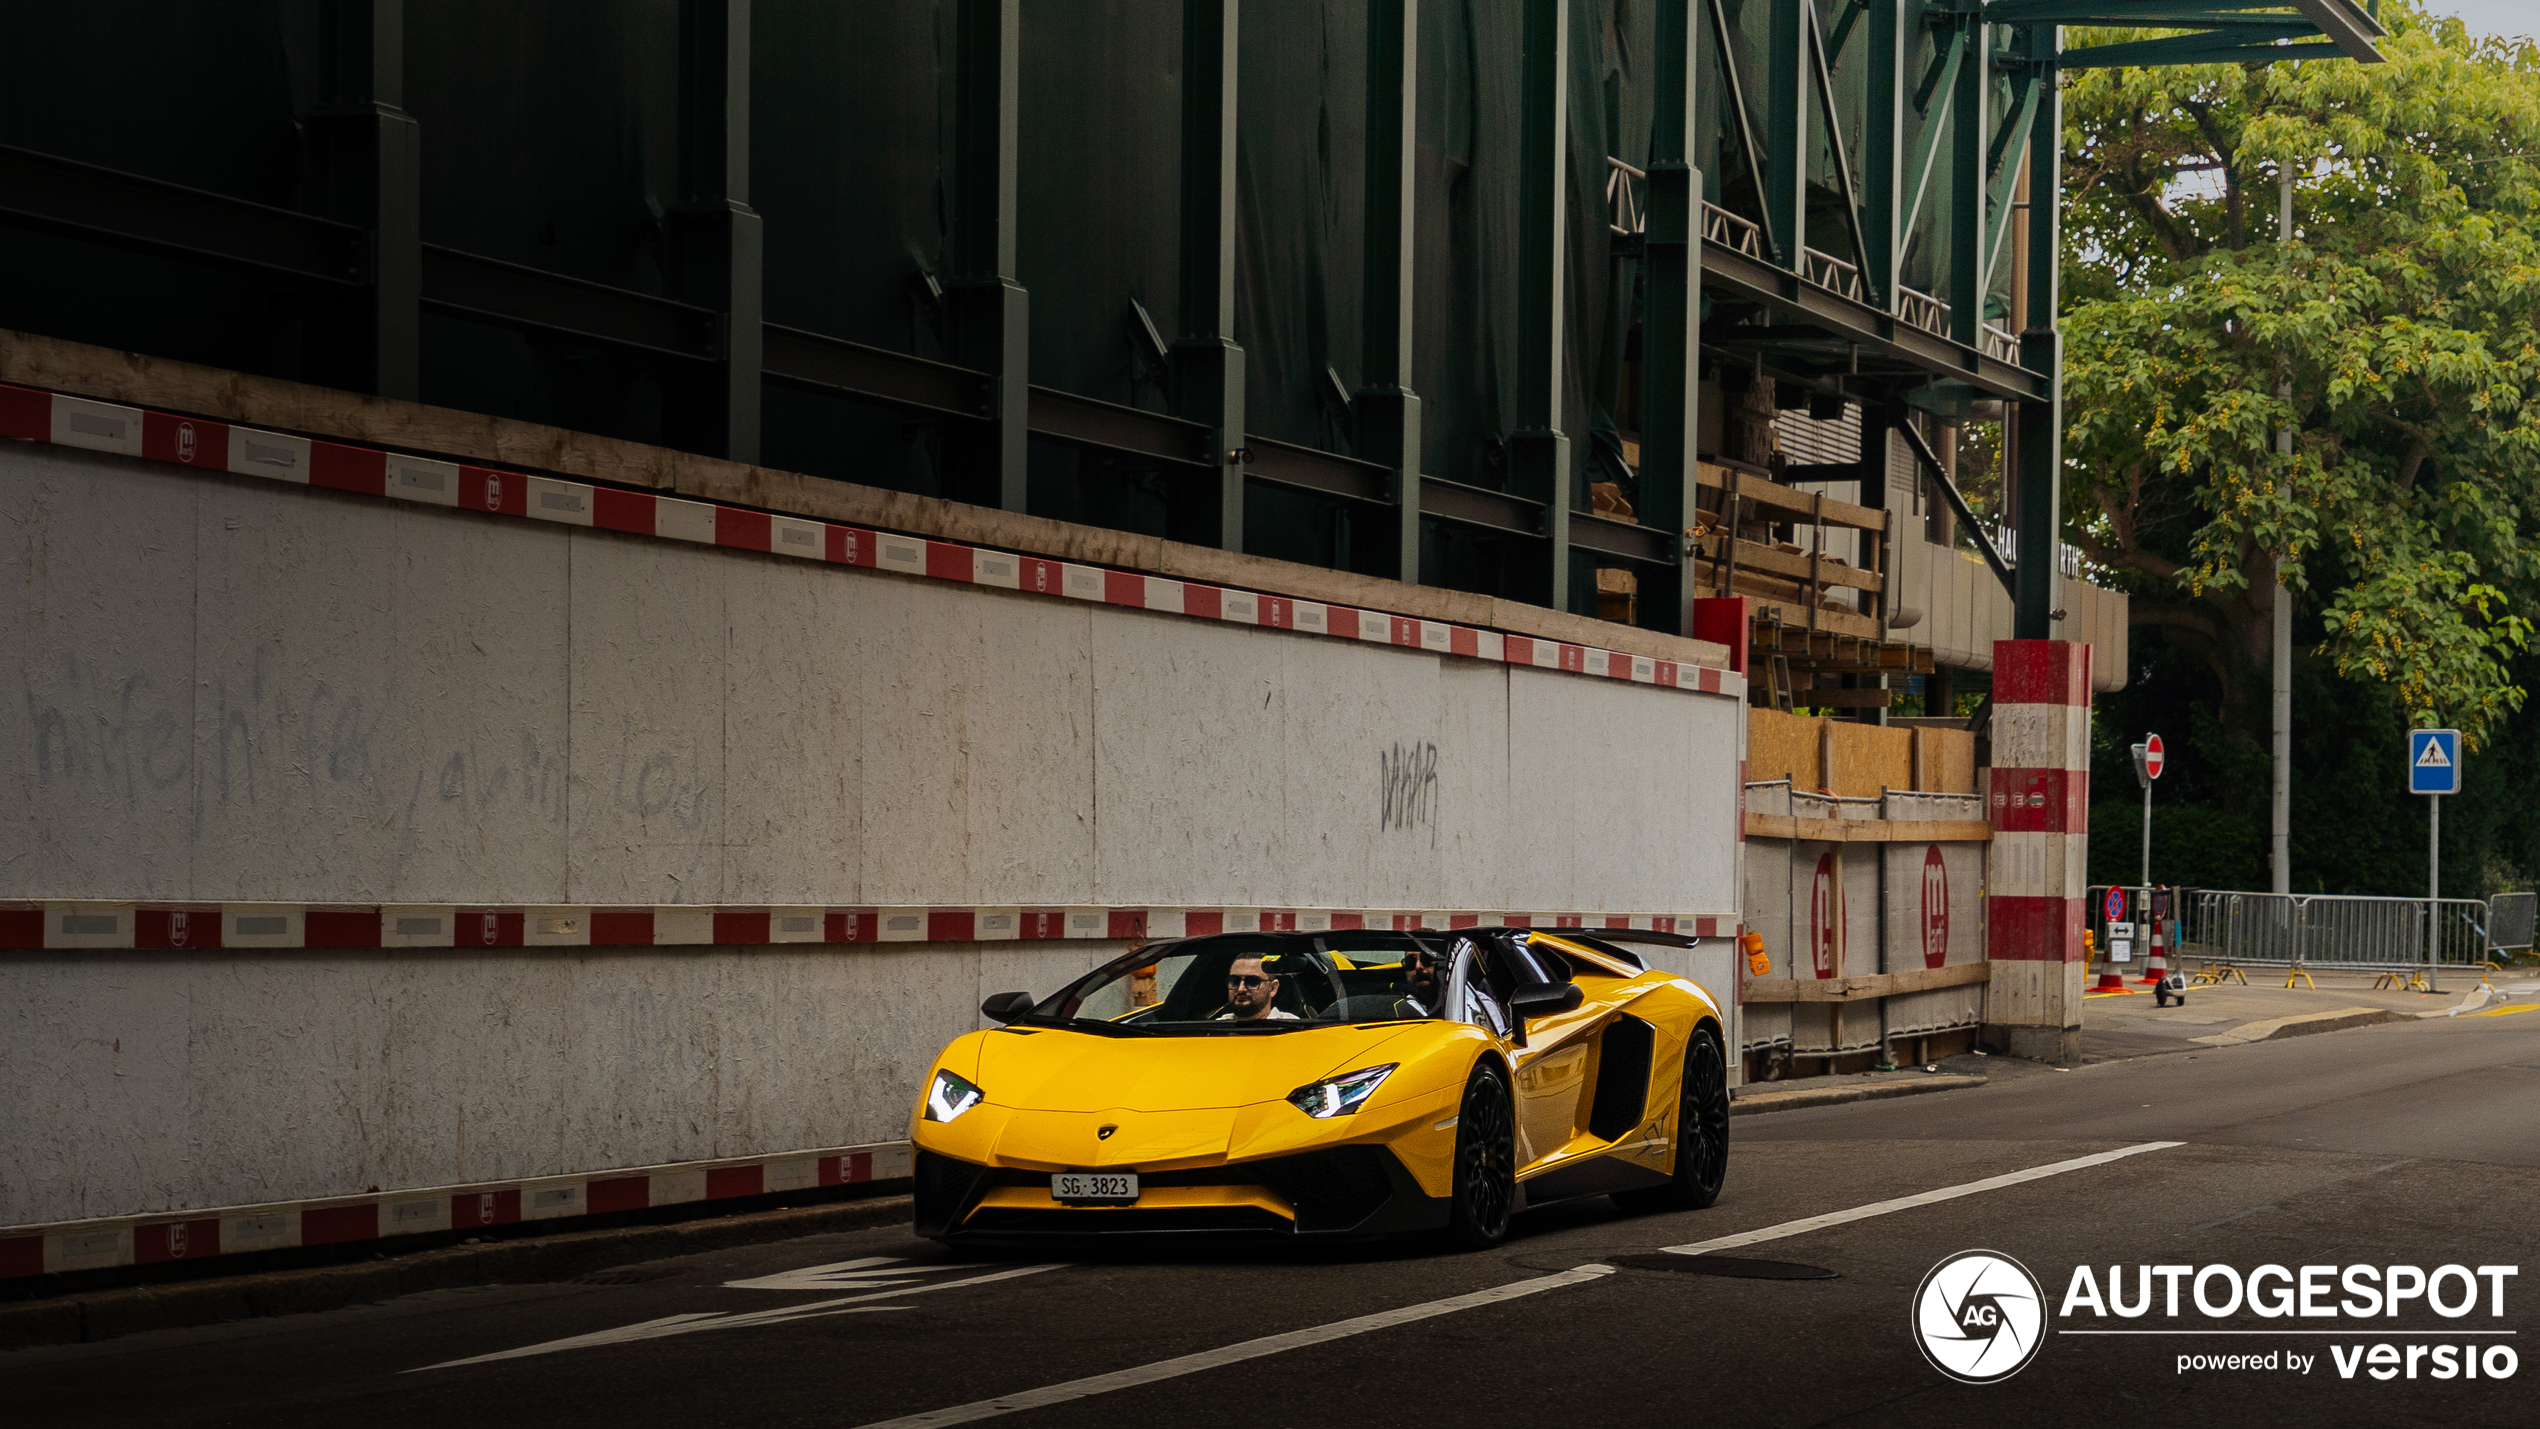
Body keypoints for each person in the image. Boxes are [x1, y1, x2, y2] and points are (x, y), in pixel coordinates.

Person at [1218, 955, 1299, 1021]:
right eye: (1234, 981)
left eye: (1252, 981)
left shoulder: (1296, 1029)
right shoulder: (1213, 1030)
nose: (1241, 989)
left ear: (1272, 988)